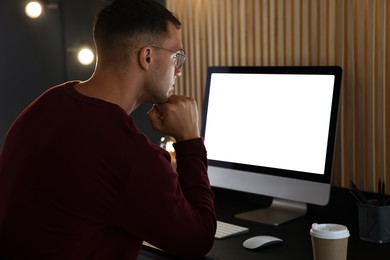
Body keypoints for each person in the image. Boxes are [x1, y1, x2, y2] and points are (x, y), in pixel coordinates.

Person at [0, 0, 216, 259]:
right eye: (177, 57)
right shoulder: (126, 153)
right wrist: (189, 139)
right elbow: (199, 238)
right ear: (147, 56)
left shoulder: (47, 103)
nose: (179, 70)